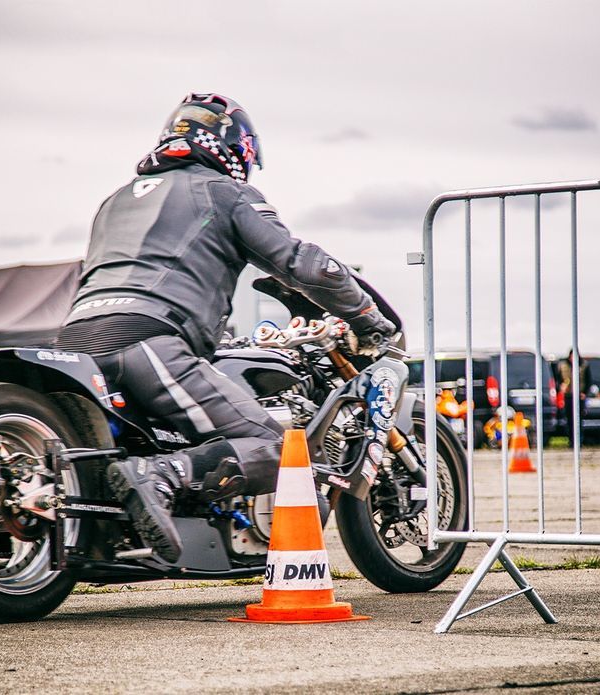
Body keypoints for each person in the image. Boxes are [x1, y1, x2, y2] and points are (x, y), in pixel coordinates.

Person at [55, 93, 396, 562]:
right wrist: (367, 315)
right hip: (150, 340)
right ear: (236, 149)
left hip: (76, 342)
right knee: (279, 450)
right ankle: (162, 476)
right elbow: (309, 268)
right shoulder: (224, 192)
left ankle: (139, 491)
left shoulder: (114, 201)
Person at [557, 349, 586, 447]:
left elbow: (588, 380)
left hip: (579, 396)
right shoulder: (563, 365)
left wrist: (585, 392)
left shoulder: (583, 365)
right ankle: (571, 441)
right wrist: (561, 387)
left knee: (579, 419)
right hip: (568, 396)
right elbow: (558, 380)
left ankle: (579, 440)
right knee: (569, 419)